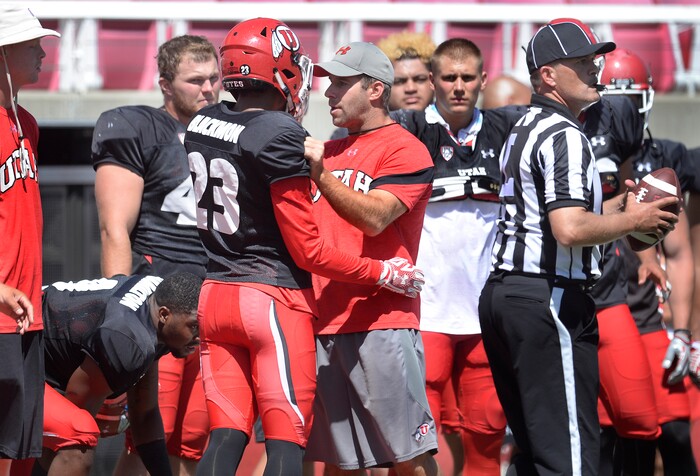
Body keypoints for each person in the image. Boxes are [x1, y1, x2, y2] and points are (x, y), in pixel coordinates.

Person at [182, 19, 423, 476]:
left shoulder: (203, 120)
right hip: (271, 300)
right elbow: (309, 251)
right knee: (286, 443)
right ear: (281, 70)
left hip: (214, 293)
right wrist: (382, 273)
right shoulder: (279, 133)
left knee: (225, 435)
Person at [478, 18, 679, 475]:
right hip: (547, 297)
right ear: (548, 74)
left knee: (532, 453)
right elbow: (568, 229)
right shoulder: (566, 134)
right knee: (568, 459)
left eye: (596, 59)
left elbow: (548, 217)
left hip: (506, 296)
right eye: (583, 61)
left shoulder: (525, 126)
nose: (596, 69)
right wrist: (637, 218)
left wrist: (616, 204)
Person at [391, 38, 526, 475]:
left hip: (485, 314)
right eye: (449, 77)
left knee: (486, 442)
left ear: (483, 80)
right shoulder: (406, 129)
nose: (459, 87)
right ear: (434, 82)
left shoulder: (508, 129)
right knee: (416, 450)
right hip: (424, 312)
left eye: (468, 77)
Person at [303, 41, 438, 475]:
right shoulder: (330, 148)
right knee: (342, 462)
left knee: (408, 457)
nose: (329, 94)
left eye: (341, 83)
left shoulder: (405, 148)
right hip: (323, 318)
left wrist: (320, 174)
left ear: (376, 90)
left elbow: (376, 218)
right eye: (329, 83)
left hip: (382, 320)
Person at [91, 34, 220, 475]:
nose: (208, 89)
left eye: (214, 79)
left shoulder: (230, 130)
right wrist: (120, 312)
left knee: (193, 437)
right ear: (165, 85)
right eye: (195, 80)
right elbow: (115, 228)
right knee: (148, 434)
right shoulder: (139, 127)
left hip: (214, 297)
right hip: (157, 304)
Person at [23, 272, 202, 476]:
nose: (200, 336)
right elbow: (74, 411)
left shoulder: (159, 308)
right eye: (194, 326)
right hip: (14, 351)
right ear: (164, 315)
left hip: (29, 349)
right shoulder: (128, 339)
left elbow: (144, 413)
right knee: (78, 441)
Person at [580, 47, 663, 475]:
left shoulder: (615, 120)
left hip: (608, 290)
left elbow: (633, 192)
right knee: (572, 426)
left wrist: (645, 250)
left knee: (639, 419)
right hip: (554, 294)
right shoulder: (527, 126)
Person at [0, 5, 59, 475]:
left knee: (21, 453)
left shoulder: (26, 122)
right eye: (30, 43)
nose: (42, 52)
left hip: (25, 313)